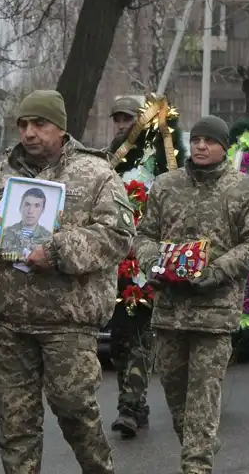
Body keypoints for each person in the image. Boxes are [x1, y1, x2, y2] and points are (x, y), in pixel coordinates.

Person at [0, 90, 135, 474]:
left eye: (40, 124)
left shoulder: (96, 174)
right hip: (9, 322)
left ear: (62, 127)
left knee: (75, 412)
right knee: (16, 427)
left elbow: (117, 235)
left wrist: (57, 252)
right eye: (23, 125)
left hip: (66, 322)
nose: (29, 133)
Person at [135, 115, 249, 474]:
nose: (200, 146)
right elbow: (144, 235)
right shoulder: (166, 186)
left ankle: (196, 465)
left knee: (204, 392)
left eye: (209, 141)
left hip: (215, 310)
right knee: (174, 391)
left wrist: (216, 270)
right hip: (169, 308)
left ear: (223, 147)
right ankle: (200, 443)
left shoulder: (244, 189)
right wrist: (153, 263)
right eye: (195, 140)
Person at [105, 94, 157, 439]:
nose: (123, 126)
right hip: (115, 265)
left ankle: (129, 405)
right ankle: (137, 405)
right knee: (120, 342)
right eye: (119, 119)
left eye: (129, 119)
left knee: (140, 339)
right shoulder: (107, 162)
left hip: (147, 263)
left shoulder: (159, 158)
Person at [0, 187, 54, 257]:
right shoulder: (5, 232)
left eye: (36, 206)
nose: (30, 211)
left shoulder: (49, 237)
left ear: (42, 210)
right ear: (21, 207)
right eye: (27, 204)